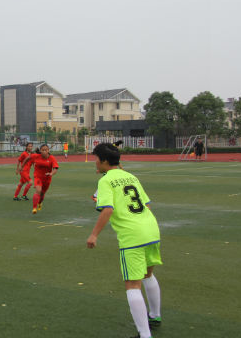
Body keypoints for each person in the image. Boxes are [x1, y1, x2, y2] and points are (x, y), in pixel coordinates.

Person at [86, 143, 162, 338]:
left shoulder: (105, 180)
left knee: (132, 285)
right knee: (148, 275)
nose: (95, 162)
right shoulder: (130, 176)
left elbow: (108, 209)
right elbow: (147, 204)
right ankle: (155, 316)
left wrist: (94, 234)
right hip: (151, 229)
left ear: (104, 161)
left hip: (132, 236)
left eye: (96, 159)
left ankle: (145, 335)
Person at [21, 143, 59, 214]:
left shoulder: (51, 158)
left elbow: (55, 168)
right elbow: (28, 158)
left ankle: (40, 203)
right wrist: (22, 166)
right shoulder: (36, 156)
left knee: (42, 194)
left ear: (48, 150)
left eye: (46, 150)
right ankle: (34, 208)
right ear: (40, 151)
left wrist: (51, 173)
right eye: (43, 150)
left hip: (47, 179)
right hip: (38, 177)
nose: (44, 151)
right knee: (38, 190)